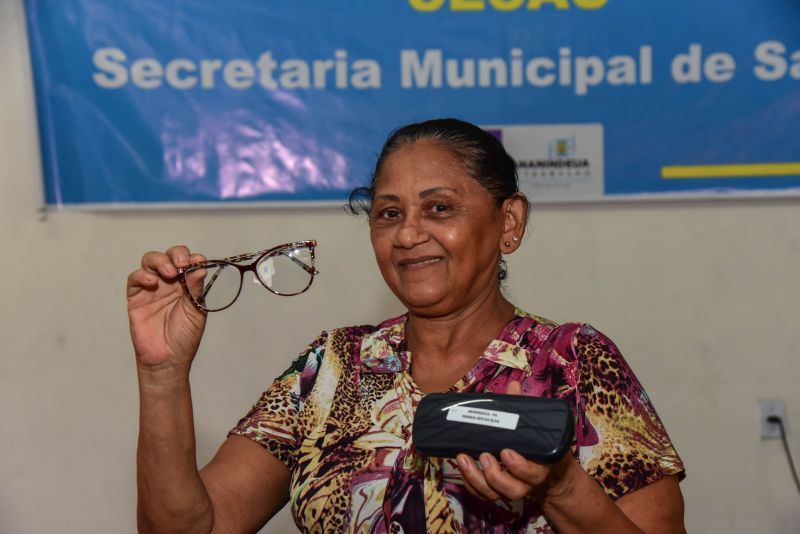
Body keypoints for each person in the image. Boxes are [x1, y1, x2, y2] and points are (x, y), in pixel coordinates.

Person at [127, 118, 686, 533]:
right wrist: (162, 373)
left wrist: (561, 488)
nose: (407, 234)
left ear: (508, 222)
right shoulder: (333, 368)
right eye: (389, 213)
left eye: (438, 208)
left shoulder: (572, 363)